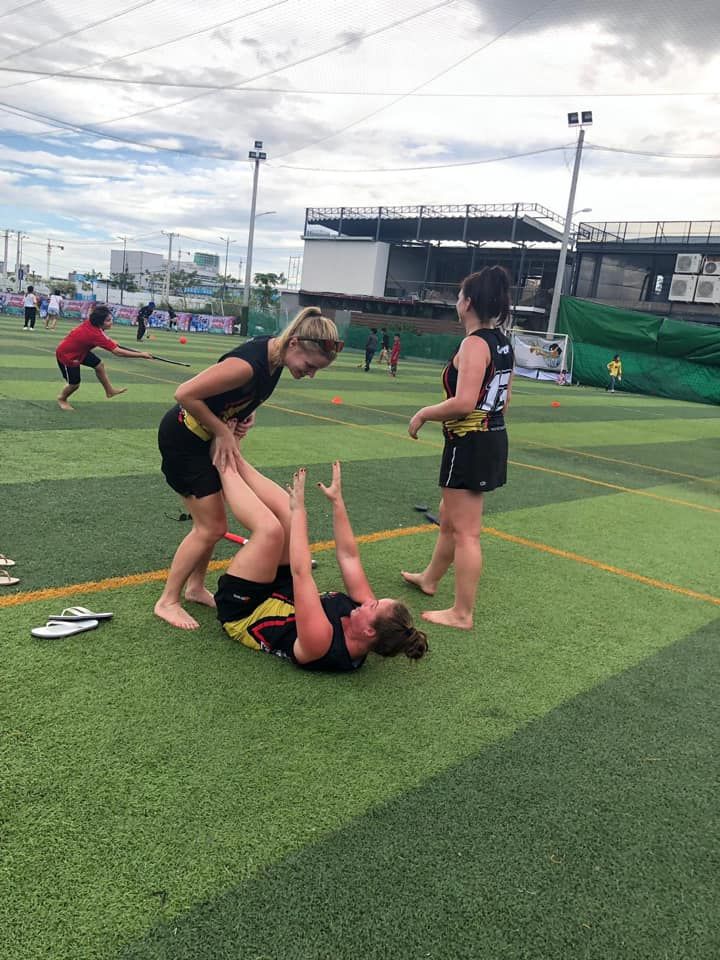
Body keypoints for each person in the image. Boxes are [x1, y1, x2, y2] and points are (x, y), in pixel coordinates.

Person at [154, 306, 343, 630]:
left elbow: (233, 399)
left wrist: (242, 415)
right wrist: (224, 430)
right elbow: (185, 394)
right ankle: (167, 601)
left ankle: (195, 587)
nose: (310, 374)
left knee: (211, 520)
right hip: (184, 441)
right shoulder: (248, 366)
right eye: (310, 366)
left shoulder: (275, 360)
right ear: (294, 343)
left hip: (205, 440)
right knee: (211, 526)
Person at [215, 460, 428, 671]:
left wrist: (301, 512)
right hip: (281, 592)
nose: (369, 601)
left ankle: (220, 460)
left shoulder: (322, 644)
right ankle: (235, 456)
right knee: (286, 513)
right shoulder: (364, 620)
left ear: (369, 632)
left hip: (246, 609)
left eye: (373, 606)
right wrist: (337, 502)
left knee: (270, 531)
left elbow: (301, 573)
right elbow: (349, 557)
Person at [402, 266, 514, 630]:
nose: (456, 302)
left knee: (466, 531)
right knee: (449, 516)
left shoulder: (475, 343)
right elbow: (504, 399)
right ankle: (430, 579)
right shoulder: (503, 342)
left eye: (458, 296)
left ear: (467, 303)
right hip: (490, 436)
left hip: (469, 442)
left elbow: (464, 401)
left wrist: (424, 413)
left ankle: (462, 612)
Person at [55, 304, 153, 411]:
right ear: (100, 322)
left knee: (99, 365)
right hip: (67, 355)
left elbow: (102, 336)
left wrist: (110, 341)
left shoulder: (92, 324)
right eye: (108, 320)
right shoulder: (95, 334)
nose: (111, 322)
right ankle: (62, 399)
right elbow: (118, 352)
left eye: (111, 319)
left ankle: (109, 391)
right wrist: (141, 355)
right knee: (74, 384)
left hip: (80, 352)